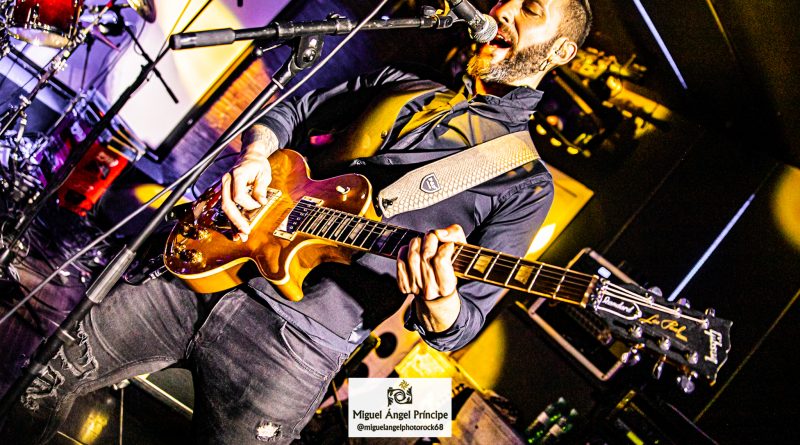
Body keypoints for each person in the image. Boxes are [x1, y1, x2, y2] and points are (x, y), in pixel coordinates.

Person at [3, 1, 591, 443]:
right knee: (31, 378)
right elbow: (293, 111)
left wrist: (439, 299)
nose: (503, 10)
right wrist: (257, 155)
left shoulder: (525, 182)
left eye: (531, 9)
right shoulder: (405, 79)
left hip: (293, 348)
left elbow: (463, 323)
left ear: (561, 51)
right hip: (209, 262)